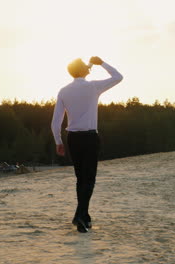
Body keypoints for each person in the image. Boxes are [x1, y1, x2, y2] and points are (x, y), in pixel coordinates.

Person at [51, 56, 123, 233]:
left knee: (81, 178)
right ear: (84, 70)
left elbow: (55, 122)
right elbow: (118, 77)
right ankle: (80, 216)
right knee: (89, 179)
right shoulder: (93, 87)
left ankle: (84, 216)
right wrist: (102, 63)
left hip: (73, 138)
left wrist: (58, 141)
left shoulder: (64, 91)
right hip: (90, 138)